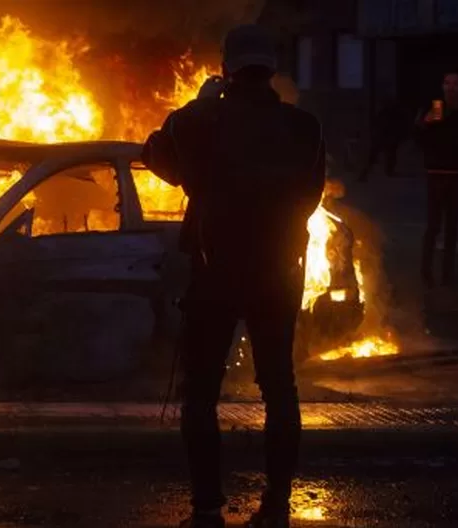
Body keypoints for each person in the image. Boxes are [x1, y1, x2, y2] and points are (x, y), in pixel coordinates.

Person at [142, 24, 326, 528]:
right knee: (279, 388)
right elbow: (311, 196)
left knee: (200, 393)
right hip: (277, 273)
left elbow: (156, 156)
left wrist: (200, 104)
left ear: (226, 68)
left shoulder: (199, 121)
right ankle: (277, 505)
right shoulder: (304, 127)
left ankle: (207, 510)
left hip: (214, 271)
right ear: (272, 70)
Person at [415, 71, 458, 287]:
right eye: (447, 83)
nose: (451, 88)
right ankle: (426, 272)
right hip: (436, 174)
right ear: (442, 87)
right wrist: (424, 124)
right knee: (434, 225)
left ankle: (447, 273)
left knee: (452, 226)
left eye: (455, 84)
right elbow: (422, 136)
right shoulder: (437, 107)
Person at [359, 99, 408, 181]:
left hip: (387, 137)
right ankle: (365, 173)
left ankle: (386, 171)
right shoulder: (386, 113)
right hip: (383, 137)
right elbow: (379, 124)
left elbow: (394, 126)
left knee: (388, 155)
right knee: (375, 156)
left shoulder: (391, 114)